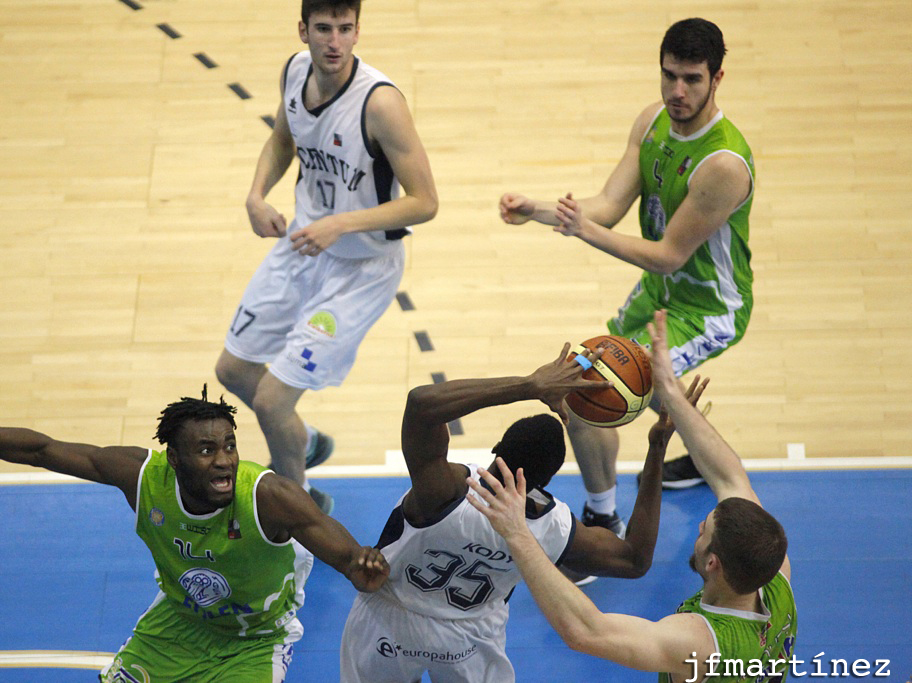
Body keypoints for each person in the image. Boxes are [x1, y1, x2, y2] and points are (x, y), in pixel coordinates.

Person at [0, 387, 390, 683]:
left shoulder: (268, 496)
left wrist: (361, 567)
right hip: (176, 624)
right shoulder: (143, 477)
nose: (223, 461)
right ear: (174, 458)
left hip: (253, 642)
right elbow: (41, 450)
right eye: (206, 450)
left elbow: (347, 556)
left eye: (230, 446)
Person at [499, 17, 756, 532]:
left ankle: (603, 519)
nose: (677, 91)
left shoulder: (724, 164)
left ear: (718, 79)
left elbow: (667, 255)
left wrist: (581, 232)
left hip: (705, 308)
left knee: (588, 387)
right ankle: (699, 451)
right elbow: (609, 205)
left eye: (692, 80)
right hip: (659, 293)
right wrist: (539, 209)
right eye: (669, 76)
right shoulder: (652, 121)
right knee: (652, 387)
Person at [339, 342, 706, 682]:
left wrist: (530, 385)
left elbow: (421, 404)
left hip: (386, 621)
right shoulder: (553, 528)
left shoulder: (444, 488)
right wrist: (656, 448)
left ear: (497, 448)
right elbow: (635, 560)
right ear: (547, 479)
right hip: (469, 639)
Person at [468, 309, 795, 682]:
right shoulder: (772, 573)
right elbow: (730, 476)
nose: (701, 522)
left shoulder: (701, 643)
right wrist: (668, 391)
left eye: (705, 530)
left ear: (712, 563)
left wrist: (517, 533)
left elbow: (587, 632)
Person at [214, 0, 439, 515]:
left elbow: (425, 202)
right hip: (302, 245)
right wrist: (255, 197)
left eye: (344, 29)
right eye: (323, 29)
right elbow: (281, 140)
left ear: (358, 31)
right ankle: (304, 442)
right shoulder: (294, 72)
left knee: (272, 402)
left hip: (361, 270)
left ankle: (299, 514)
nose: (334, 41)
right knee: (233, 370)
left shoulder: (380, 105)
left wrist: (341, 223)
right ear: (303, 30)